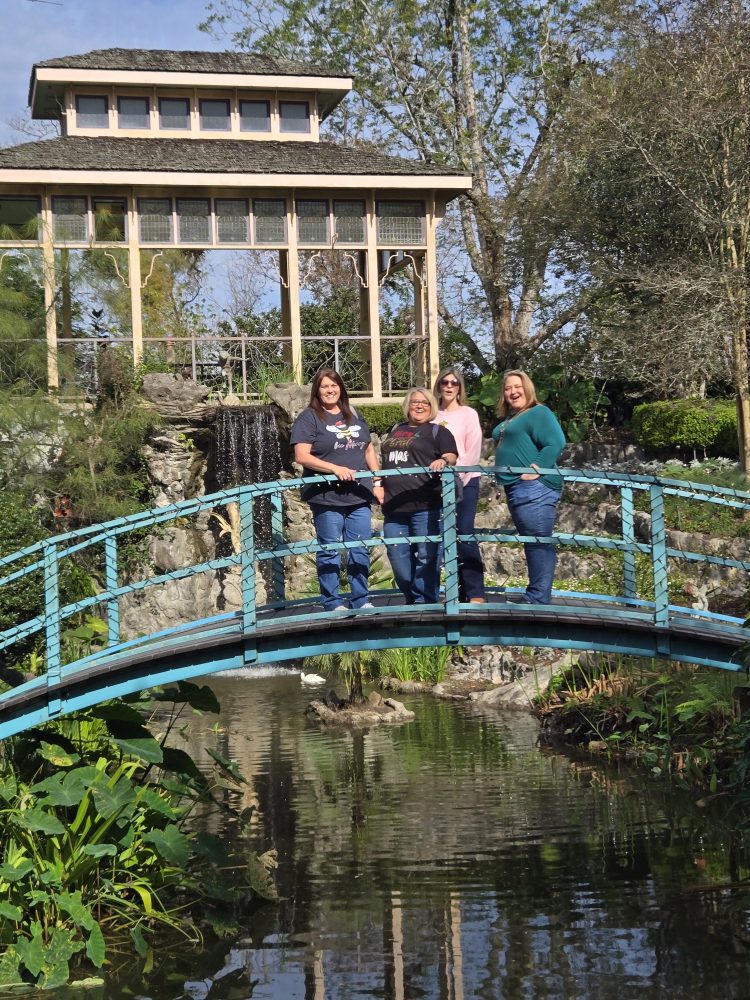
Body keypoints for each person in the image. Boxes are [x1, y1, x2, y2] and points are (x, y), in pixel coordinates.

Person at [291, 369, 384, 611]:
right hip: (326, 496)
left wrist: (377, 481)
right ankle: (332, 602)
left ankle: (361, 599)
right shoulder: (309, 418)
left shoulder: (352, 413)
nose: (330, 390)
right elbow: (302, 455)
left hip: (359, 494)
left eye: (334, 385)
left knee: (359, 548)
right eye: (324, 386)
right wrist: (334, 468)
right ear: (317, 391)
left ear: (340, 388)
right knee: (330, 550)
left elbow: (368, 449)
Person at [492, 370, 566, 605]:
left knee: (538, 542)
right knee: (533, 541)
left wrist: (538, 469)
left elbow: (556, 442)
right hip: (516, 487)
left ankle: (537, 598)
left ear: (528, 388)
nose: (513, 392)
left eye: (518, 386)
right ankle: (537, 595)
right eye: (508, 388)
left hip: (534, 488)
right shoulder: (511, 419)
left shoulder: (538, 412)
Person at [381, 387, 458, 604]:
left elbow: (451, 455)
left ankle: (424, 603)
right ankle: (413, 597)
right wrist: (379, 484)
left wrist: (443, 461)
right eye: (415, 401)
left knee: (427, 557)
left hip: (425, 505)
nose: (419, 405)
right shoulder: (396, 429)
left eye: (425, 402)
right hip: (394, 507)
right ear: (407, 405)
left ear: (431, 407)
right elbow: (384, 462)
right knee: (398, 560)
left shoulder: (437, 432)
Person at [434, 367, 486, 603]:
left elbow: (472, 450)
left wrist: (457, 479)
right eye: (445, 382)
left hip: (465, 482)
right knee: (443, 537)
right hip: (437, 487)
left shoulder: (468, 414)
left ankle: (475, 592)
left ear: (460, 387)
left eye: (454, 382)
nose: (449, 386)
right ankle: (455, 591)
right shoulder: (432, 414)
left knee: (464, 534)